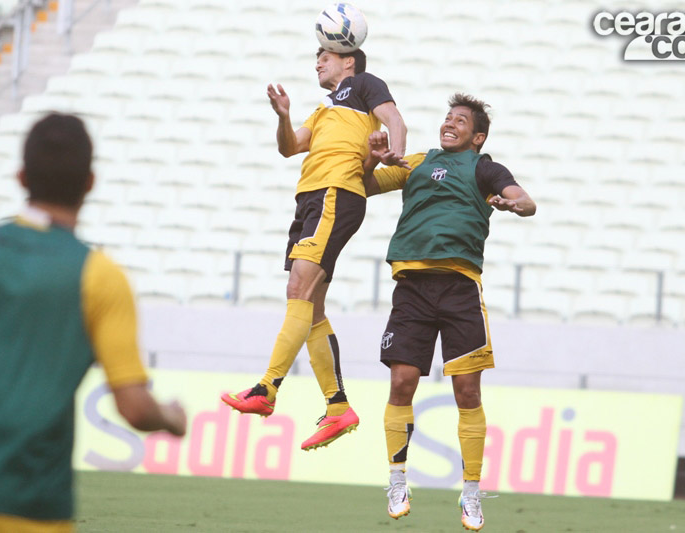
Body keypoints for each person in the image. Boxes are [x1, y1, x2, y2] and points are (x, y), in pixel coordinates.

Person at [0, 113, 187, 533]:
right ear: (90, 183)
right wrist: (171, 418)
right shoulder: (100, 276)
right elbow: (134, 408)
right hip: (30, 503)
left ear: (21, 176)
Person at [362, 94, 536, 531]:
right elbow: (363, 186)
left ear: (477, 136)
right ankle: (397, 479)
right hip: (413, 288)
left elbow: (526, 200)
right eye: (447, 117)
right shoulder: (417, 161)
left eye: (460, 120)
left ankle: (472, 492)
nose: (449, 123)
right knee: (401, 382)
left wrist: (514, 204)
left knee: (468, 393)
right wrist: (372, 159)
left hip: (460, 289)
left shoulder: (484, 169)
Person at [221, 47, 408, 451]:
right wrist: (283, 117)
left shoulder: (363, 85)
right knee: (311, 307)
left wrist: (395, 150)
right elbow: (290, 148)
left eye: (326, 55)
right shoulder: (324, 108)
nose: (318, 61)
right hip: (310, 198)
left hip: (335, 192)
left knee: (297, 292)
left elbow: (394, 118)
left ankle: (267, 388)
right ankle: (338, 406)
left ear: (348, 61)